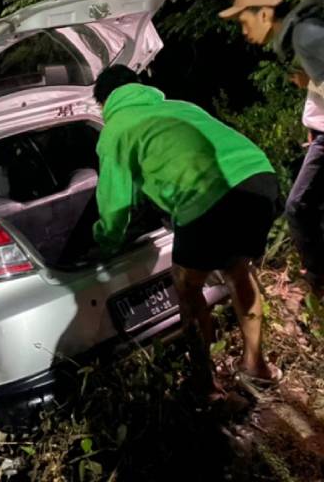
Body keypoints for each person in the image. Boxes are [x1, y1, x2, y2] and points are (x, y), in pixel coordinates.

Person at [92, 65, 281, 400]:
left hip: (207, 199)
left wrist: (106, 242)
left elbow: (115, 203)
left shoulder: (115, 129)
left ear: (103, 103)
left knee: (187, 288)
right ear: (139, 86)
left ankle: (205, 385)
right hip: (259, 179)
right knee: (238, 270)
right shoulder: (180, 105)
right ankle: (256, 365)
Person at [219, 0, 324, 299]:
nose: (244, 31)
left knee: (298, 206)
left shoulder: (305, 36)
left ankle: (318, 283)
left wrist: (313, 85)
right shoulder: (301, 37)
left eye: (244, 21)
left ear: (264, 14)